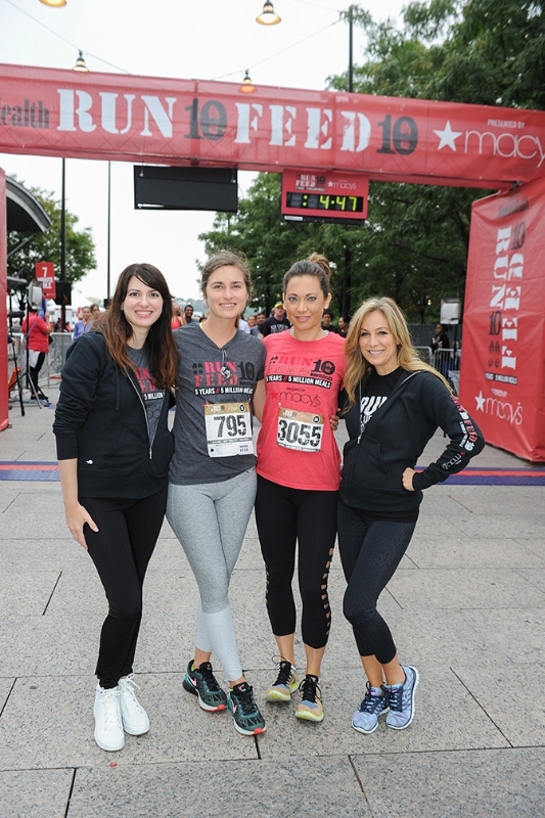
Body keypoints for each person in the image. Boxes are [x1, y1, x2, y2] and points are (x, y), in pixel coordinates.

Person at [337, 297, 484, 735]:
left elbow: (470, 438)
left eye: (381, 332)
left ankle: (399, 680)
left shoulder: (423, 383)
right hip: (349, 507)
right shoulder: (358, 380)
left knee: (356, 604)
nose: (372, 342)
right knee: (361, 610)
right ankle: (374, 687)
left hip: (393, 514)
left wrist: (424, 478)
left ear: (398, 334)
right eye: (364, 334)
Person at [52, 263, 178, 752]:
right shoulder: (95, 348)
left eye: (153, 295)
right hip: (101, 493)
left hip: (149, 491)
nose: (143, 302)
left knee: (135, 596)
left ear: (164, 302)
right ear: (119, 299)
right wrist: (70, 504)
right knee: (124, 601)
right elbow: (67, 424)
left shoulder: (164, 349)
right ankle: (106, 688)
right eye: (134, 294)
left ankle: (124, 677)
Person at [166, 250, 267, 737]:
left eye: (236, 287)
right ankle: (239, 683)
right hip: (187, 482)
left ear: (248, 292)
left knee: (217, 586)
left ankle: (197, 668)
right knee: (214, 582)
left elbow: (263, 404)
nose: (228, 295)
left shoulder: (255, 347)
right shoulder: (179, 343)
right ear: (204, 292)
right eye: (218, 286)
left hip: (239, 479)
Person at [254, 256, 346, 723]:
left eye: (312, 298)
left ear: (326, 301)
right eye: (294, 298)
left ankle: (313, 677)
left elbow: (359, 400)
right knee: (276, 578)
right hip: (271, 479)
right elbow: (256, 398)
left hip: (320, 487)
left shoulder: (343, 349)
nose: (302, 307)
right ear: (283, 301)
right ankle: (285, 666)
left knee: (314, 583)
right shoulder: (268, 343)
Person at [21, 305, 51, 401]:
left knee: (32, 370)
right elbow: (48, 331)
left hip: (30, 347)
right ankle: (34, 392)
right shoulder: (37, 319)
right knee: (36, 370)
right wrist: (47, 319)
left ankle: (34, 391)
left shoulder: (26, 319)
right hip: (39, 347)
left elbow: (23, 331)